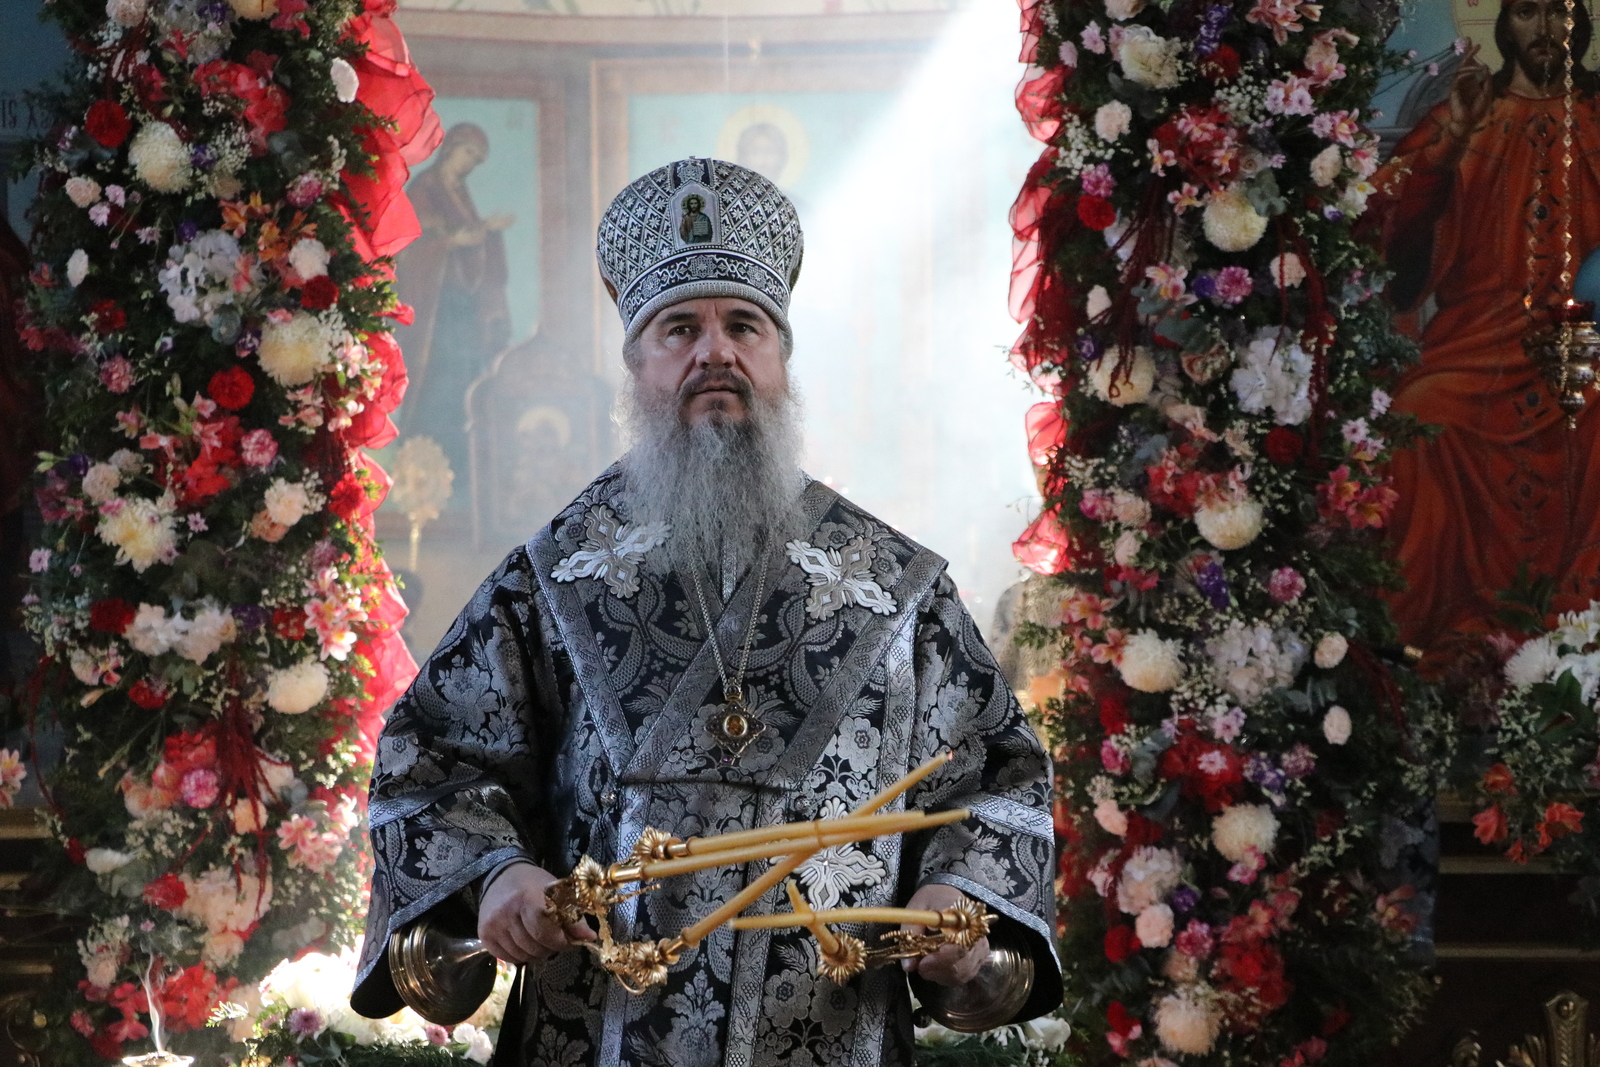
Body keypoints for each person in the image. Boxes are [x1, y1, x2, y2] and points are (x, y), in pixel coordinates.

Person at [351, 158, 1061, 1066]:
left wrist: (954, 903)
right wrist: (500, 875)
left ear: (780, 358)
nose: (713, 352)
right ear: (637, 364)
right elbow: (432, 756)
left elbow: (996, 773)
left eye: (743, 326)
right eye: (680, 328)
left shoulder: (898, 587)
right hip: (596, 1036)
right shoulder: (553, 576)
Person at [1376, 0, 1600, 649]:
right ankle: (1421, 641)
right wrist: (1450, 143)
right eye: (1528, 11)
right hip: (1476, 342)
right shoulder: (1468, 112)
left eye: (1560, 11)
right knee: (1419, 415)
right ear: (1502, 23)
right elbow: (1388, 235)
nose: (1546, 29)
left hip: (1585, 343)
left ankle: (1578, 634)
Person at [395, 122, 515, 488]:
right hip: (433, 308)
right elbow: (409, 245)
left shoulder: (459, 192)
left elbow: (468, 240)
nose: (470, 164)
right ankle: (422, 456)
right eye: (468, 154)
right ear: (450, 149)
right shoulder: (425, 189)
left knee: (462, 376)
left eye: (477, 160)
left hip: (460, 306)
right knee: (436, 377)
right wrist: (451, 242)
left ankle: (457, 463)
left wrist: (487, 230)